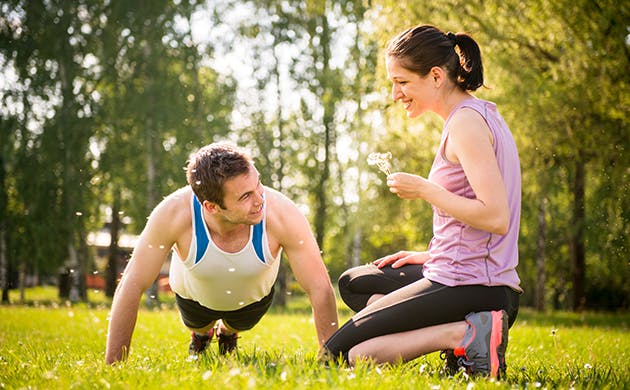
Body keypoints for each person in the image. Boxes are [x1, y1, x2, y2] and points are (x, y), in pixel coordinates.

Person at [322, 24, 522, 379]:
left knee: (337, 356)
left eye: (402, 82)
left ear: (435, 76)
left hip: (475, 287)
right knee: (357, 282)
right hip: (464, 273)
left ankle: (465, 334)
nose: (396, 93)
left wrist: (425, 189)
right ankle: (466, 347)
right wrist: (433, 253)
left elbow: (496, 217)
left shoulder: (466, 125)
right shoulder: (476, 115)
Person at [106, 142, 338, 364]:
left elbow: (319, 286)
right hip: (194, 299)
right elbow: (132, 283)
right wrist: (114, 366)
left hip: (252, 301)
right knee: (199, 325)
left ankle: (228, 334)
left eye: (258, 184)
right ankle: (202, 335)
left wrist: (329, 359)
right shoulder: (173, 213)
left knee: (237, 324)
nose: (260, 200)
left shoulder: (282, 213)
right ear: (211, 207)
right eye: (245, 196)